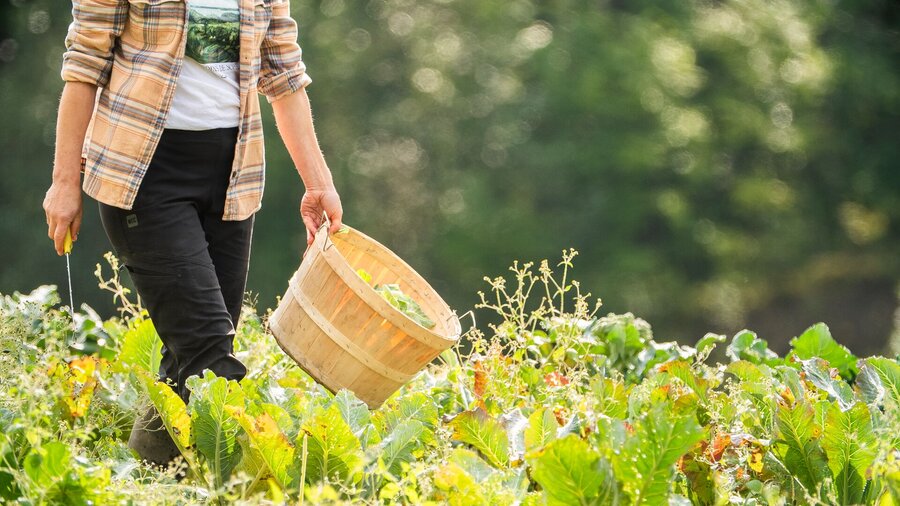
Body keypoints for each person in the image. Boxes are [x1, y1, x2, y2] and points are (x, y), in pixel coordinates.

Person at [42, 0, 343, 468]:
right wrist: (64, 182)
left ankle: (145, 482)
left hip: (232, 176)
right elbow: (84, 66)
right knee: (212, 363)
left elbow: (284, 75)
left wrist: (318, 183)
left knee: (190, 364)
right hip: (142, 176)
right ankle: (250, 486)